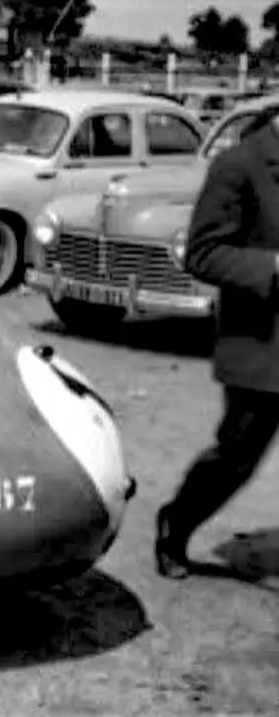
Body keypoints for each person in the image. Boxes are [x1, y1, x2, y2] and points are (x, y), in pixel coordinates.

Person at [154, 108, 279, 579]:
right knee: (237, 457)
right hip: (263, 345)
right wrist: (274, 267)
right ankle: (176, 524)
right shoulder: (239, 164)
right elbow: (203, 253)